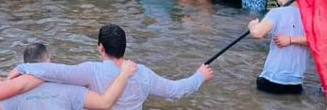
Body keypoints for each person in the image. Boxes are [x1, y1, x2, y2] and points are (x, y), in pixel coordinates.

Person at [16, 24, 214, 109]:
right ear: (124, 47)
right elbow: (176, 90)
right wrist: (200, 76)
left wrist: (24, 68)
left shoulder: (91, 70)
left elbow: (58, 72)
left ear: (100, 48)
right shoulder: (143, 73)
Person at [0, 42, 138, 110]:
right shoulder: (71, 89)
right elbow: (106, 103)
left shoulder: (11, 91)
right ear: (49, 61)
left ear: (25, 66)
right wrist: (125, 74)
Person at [248, 0, 309, 94]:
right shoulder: (308, 15)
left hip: (273, 77)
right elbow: (316, 41)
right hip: (296, 81)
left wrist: (252, 26)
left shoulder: (276, 13)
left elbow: (257, 33)